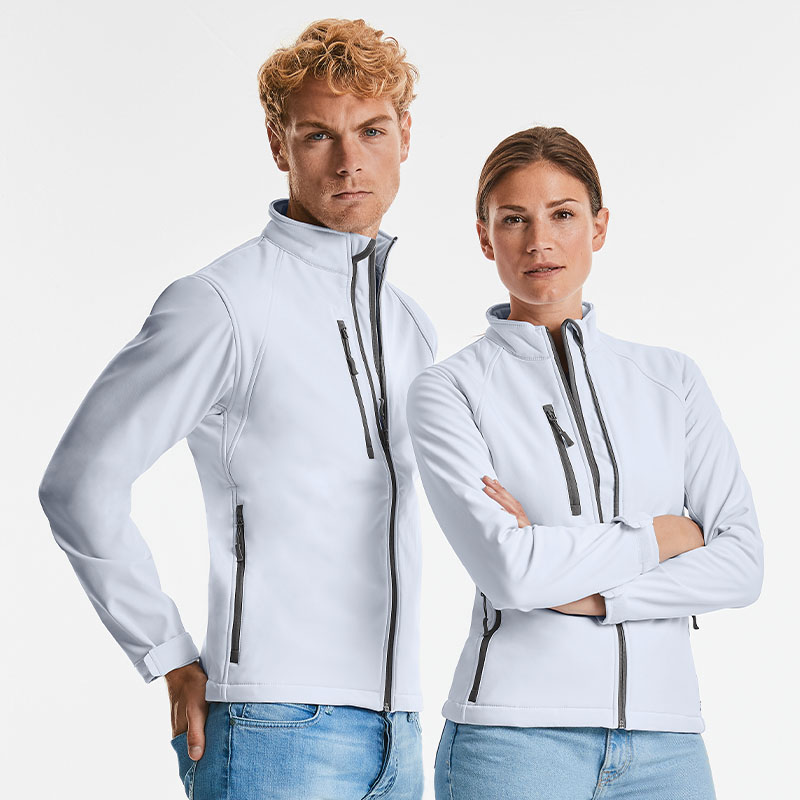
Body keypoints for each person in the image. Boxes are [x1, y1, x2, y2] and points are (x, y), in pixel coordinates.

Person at [37, 18, 436, 800]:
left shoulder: (408, 322)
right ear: (278, 144)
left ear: (405, 135)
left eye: (371, 130)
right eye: (318, 135)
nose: (349, 161)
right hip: (272, 728)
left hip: (398, 732)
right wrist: (166, 652)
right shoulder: (223, 303)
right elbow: (78, 484)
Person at [405, 125, 764, 799]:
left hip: (668, 743)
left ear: (598, 227)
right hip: (513, 744)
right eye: (514, 219)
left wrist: (592, 596)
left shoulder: (671, 380)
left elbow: (742, 565)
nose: (539, 241)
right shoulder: (450, 389)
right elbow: (511, 572)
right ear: (485, 237)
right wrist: (664, 536)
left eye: (563, 215)